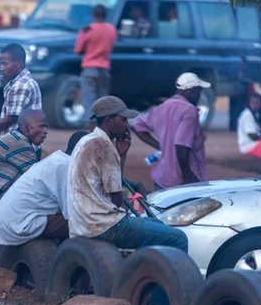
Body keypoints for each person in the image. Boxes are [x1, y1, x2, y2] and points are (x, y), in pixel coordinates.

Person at [67, 96, 188, 252]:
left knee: (157, 225)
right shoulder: (103, 146)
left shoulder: (87, 140)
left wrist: (121, 155)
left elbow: (111, 186)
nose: (126, 125)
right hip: (103, 225)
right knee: (178, 238)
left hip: (83, 223)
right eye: (123, 120)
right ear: (109, 121)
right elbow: (117, 200)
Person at [0, 131, 89, 246]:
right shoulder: (67, 167)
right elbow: (72, 213)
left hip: (6, 220)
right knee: (81, 224)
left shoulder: (59, 157)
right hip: (19, 224)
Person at [132, 73, 209, 190]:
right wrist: (187, 176)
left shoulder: (162, 107)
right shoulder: (190, 111)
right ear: (190, 91)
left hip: (162, 176)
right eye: (198, 91)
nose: (199, 96)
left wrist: (160, 146)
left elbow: (137, 125)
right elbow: (181, 147)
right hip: (181, 180)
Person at [0, 109, 48, 220]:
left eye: (46, 126)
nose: (46, 131)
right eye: (41, 126)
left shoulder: (14, 138)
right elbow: (39, 180)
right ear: (26, 128)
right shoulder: (19, 143)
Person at [74, 5, 117, 129]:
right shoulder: (111, 29)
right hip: (105, 70)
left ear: (93, 15)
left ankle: (92, 132)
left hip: (90, 69)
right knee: (102, 105)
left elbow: (78, 50)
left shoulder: (87, 30)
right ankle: (103, 131)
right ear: (105, 15)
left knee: (89, 103)